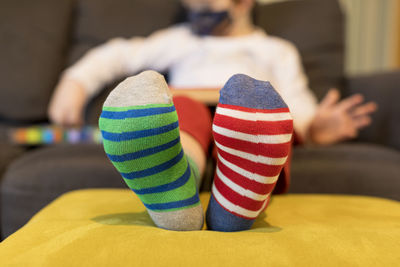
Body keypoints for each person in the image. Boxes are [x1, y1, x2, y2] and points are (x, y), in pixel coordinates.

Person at [48, 0, 377, 231]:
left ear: (243, 3)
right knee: (187, 111)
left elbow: (297, 102)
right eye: (192, 8)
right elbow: (119, 53)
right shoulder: (179, 39)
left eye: (207, 8)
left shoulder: (275, 49)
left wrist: (314, 128)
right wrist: (74, 82)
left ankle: (234, 198)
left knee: (269, 119)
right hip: (185, 109)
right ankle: (177, 187)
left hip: (249, 117)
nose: (198, 15)